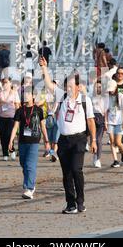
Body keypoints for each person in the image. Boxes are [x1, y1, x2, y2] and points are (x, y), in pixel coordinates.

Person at [39, 56, 97, 214]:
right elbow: (49, 85)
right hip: (63, 140)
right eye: (67, 86)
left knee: (76, 169)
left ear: (78, 87)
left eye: (71, 86)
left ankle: (80, 201)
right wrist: (44, 67)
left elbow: (91, 121)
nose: (69, 89)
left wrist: (93, 141)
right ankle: (70, 203)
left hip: (79, 139)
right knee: (66, 173)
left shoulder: (85, 100)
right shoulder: (62, 97)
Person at [8, 86, 50, 200]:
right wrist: (11, 141)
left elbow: (43, 126)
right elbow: (15, 126)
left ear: (33, 96)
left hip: (34, 141)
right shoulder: (19, 111)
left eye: (27, 94)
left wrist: (47, 141)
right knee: (23, 164)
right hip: (22, 141)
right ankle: (30, 183)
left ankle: (29, 188)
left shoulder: (38, 110)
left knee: (29, 165)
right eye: (24, 94)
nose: (25, 96)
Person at [0, 76, 21, 161]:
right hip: (1, 117)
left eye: (6, 82)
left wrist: (18, 116)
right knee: (3, 136)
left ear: (10, 83)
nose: (5, 84)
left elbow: (17, 105)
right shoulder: (0, 93)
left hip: (11, 117)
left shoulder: (14, 93)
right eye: (3, 82)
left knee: (9, 134)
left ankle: (11, 150)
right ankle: (5, 153)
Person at [105, 79, 123, 168]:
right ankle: (115, 160)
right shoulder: (107, 97)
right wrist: (106, 122)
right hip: (110, 121)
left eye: (112, 89)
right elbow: (106, 110)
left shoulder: (121, 96)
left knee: (118, 142)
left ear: (115, 87)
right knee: (112, 141)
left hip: (119, 122)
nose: (110, 91)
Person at [91, 80, 106, 168]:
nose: (98, 88)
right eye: (96, 86)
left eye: (100, 87)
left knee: (98, 139)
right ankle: (95, 154)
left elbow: (106, 111)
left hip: (101, 118)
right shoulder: (90, 96)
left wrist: (106, 122)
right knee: (93, 139)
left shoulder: (105, 97)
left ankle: (98, 158)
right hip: (92, 118)